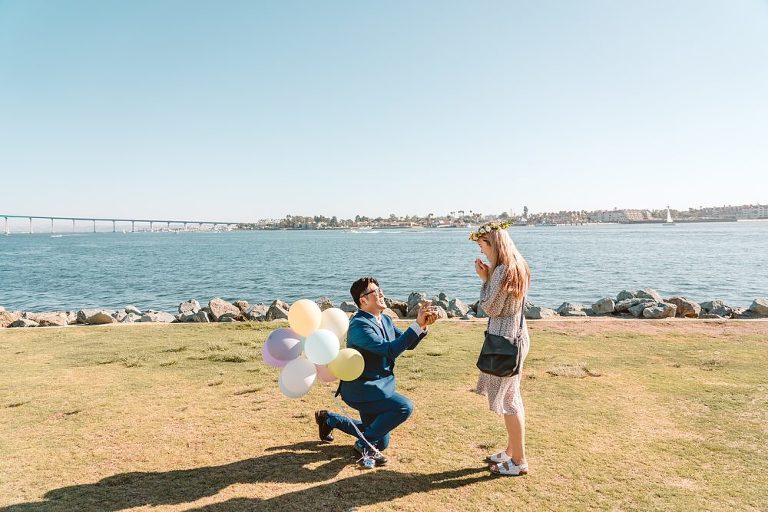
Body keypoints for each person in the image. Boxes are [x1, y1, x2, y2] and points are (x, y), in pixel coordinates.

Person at [314, 276, 438, 468]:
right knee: (403, 407)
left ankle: (329, 419)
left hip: (380, 386)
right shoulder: (359, 325)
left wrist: (422, 326)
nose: (381, 293)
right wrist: (415, 325)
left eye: (380, 289)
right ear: (363, 300)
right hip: (361, 389)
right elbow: (390, 350)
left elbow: (407, 344)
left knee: (381, 441)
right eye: (375, 292)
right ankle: (363, 445)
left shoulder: (386, 319)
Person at [470, 221, 532, 476]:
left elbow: (490, 307)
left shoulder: (501, 271)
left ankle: (518, 460)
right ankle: (511, 450)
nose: (482, 252)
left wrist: (484, 280)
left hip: (503, 341)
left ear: (492, 244)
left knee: (510, 402)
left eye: (482, 246)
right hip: (517, 337)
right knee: (512, 397)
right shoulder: (519, 266)